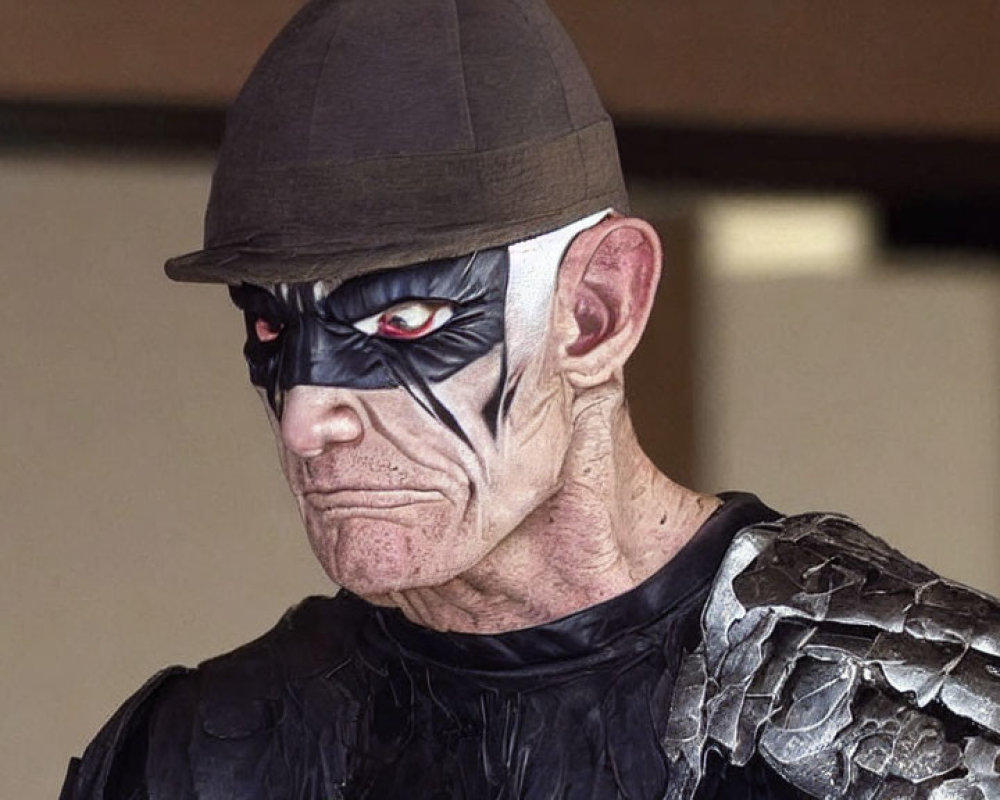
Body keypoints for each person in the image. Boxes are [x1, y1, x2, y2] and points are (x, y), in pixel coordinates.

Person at [62, 0, 1000, 798]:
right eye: (271, 330)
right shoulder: (203, 756)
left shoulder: (916, 727)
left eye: (403, 324)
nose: (308, 417)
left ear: (596, 311)